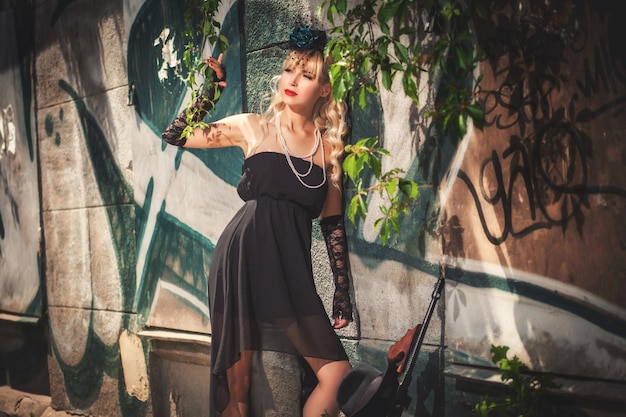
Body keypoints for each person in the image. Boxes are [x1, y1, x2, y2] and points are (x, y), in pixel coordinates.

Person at [161, 26, 354, 417]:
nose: (293, 80)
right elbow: (175, 134)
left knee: (337, 376)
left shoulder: (331, 148)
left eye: (307, 75)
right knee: (240, 394)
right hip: (242, 255)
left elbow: (332, 224)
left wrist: (341, 290)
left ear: (325, 90)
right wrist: (210, 92)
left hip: (291, 267)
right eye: (288, 70)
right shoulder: (255, 127)